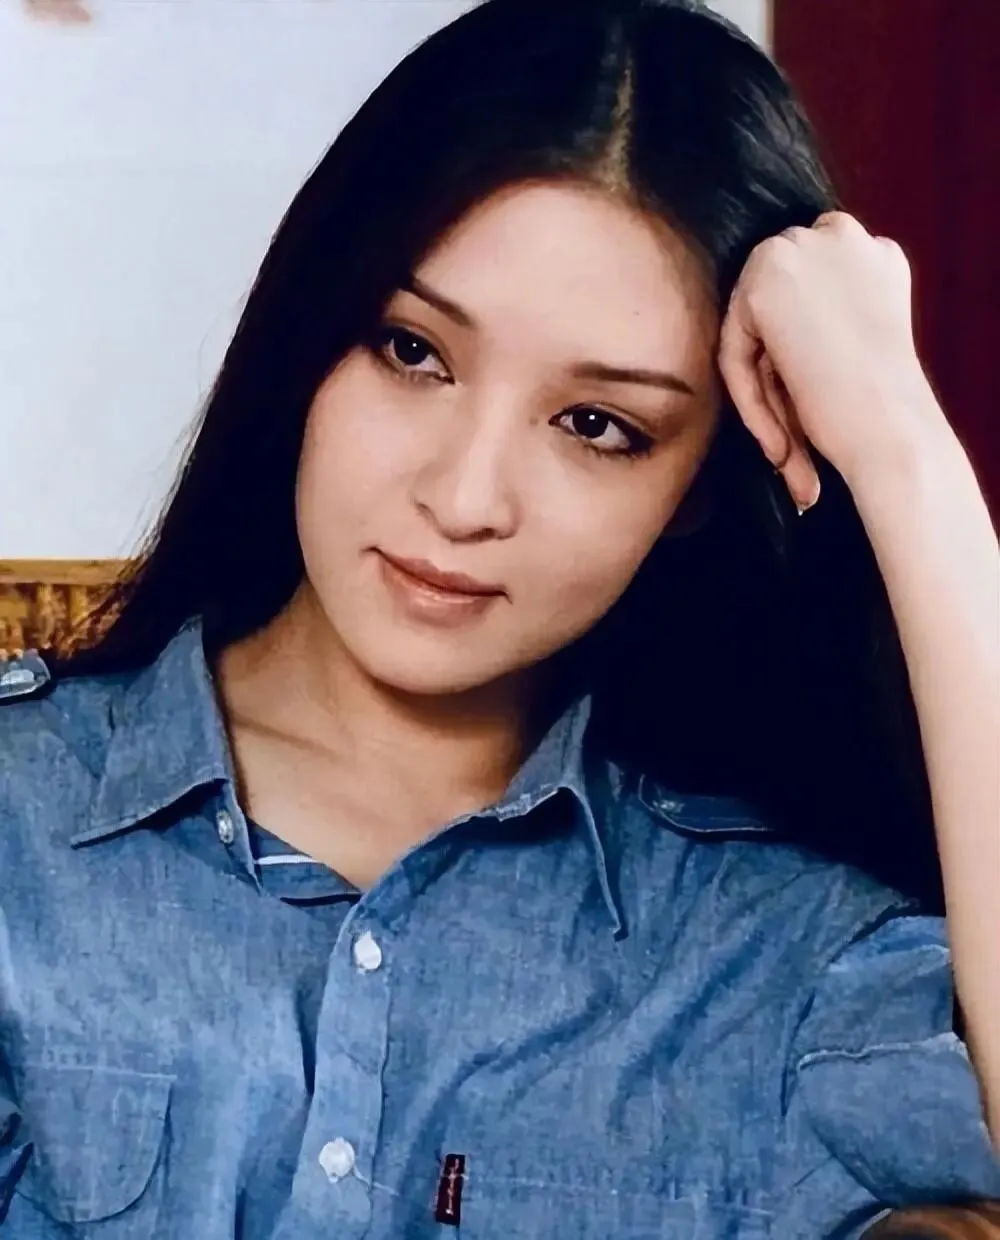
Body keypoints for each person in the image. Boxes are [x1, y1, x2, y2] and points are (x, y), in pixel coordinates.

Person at [1, 0, 997, 1235]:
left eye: (597, 425)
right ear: (313, 330)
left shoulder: (780, 957)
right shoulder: (21, 827)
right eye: (412, 351)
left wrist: (906, 459)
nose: (465, 499)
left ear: (696, 486)